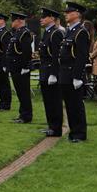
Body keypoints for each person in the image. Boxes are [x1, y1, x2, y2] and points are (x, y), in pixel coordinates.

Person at [59, 2, 90, 142]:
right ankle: (73, 132)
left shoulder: (81, 32)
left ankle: (80, 134)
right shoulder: (70, 31)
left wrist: (78, 76)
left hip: (73, 74)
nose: (66, 14)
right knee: (70, 105)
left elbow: (81, 56)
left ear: (77, 14)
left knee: (76, 105)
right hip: (65, 73)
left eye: (69, 12)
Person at [37, 7, 64, 137]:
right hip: (44, 70)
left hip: (51, 71)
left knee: (54, 101)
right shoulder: (47, 33)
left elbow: (56, 56)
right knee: (48, 101)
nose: (41, 19)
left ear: (52, 18)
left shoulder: (56, 33)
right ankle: (51, 126)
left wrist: (54, 73)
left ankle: (56, 128)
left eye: (44, 17)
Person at [6, 12, 34, 124]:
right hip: (15, 67)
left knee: (24, 92)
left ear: (18, 21)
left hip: (21, 67)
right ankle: (22, 114)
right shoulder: (17, 33)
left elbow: (27, 52)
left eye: (13, 21)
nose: (11, 23)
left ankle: (26, 116)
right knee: (20, 92)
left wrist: (26, 66)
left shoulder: (24, 33)